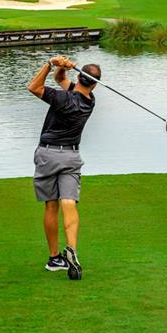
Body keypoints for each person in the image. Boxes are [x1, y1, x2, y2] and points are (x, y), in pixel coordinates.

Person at [28, 55, 101, 280]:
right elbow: (63, 81)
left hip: (48, 154)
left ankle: (54, 258)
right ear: (95, 84)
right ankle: (72, 249)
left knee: (51, 206)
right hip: (71, 156)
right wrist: (63, 68)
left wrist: (50, 64)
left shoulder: (61, 99)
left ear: (80, 77)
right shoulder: (90, 101)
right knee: (68, 202)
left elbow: (33, 87)